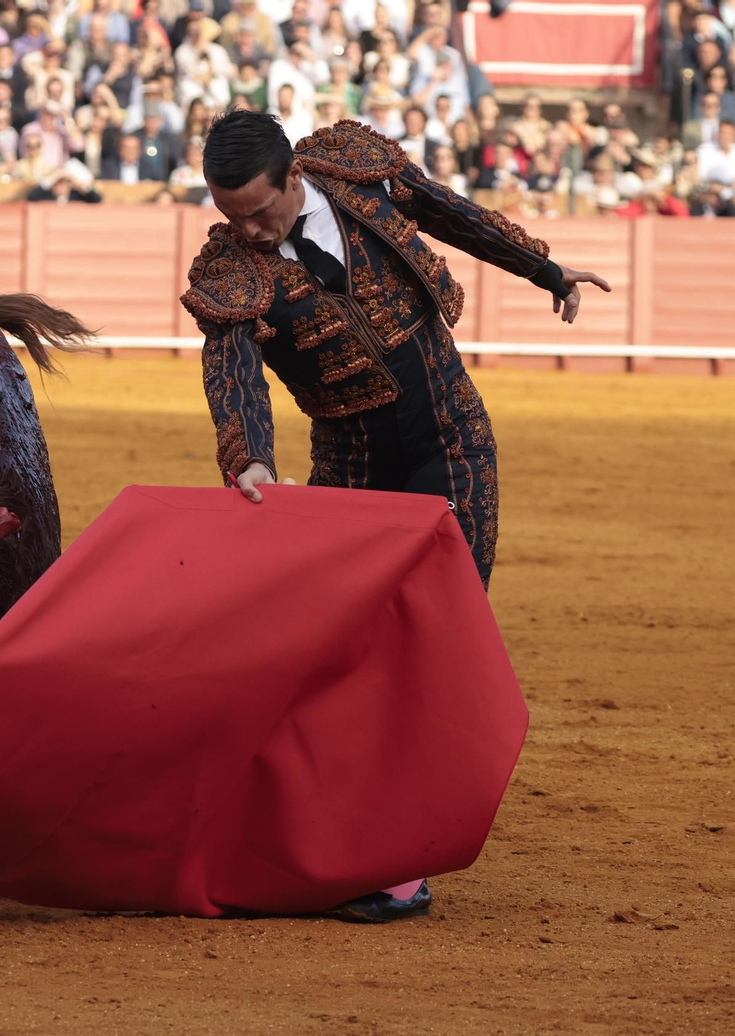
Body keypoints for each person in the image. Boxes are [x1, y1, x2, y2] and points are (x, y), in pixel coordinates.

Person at [183, 109, 610, 918]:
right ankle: (341, 841)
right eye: (231, 215)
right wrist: (252, 458)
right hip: (352, 475)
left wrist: (547, 273)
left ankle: (399, 864)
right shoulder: (233, 270)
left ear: (293, 181)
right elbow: (230, 368)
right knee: (347, 659)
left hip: (454, 446)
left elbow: (452, 212)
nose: (248, 230)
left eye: (261, 213)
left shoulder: (353, 171)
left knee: (429, 652)